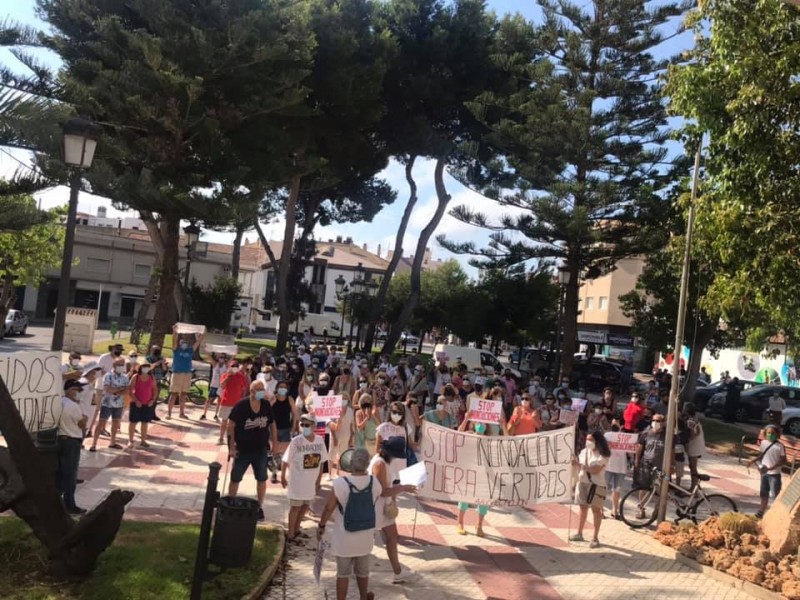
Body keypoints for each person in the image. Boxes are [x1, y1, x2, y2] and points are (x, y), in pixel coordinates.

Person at [317, 448, 380, 600]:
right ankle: (363, 597)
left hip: (344, 538)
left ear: (350, 463)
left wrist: (321, 526)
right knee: (363, 572)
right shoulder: (374, 483)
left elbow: (328, 508)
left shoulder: (340, 483)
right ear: (367, 464)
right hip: (365, 537)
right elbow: (373, 502)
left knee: (343, 574)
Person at [227, 380, 278, 521]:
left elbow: (272, 424)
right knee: (235, 477)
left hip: (260, 449)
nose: (262, 391)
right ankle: (231, 501)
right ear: (252, 391)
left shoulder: (266, 405)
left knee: (262, 478)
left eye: (263, 389)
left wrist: (275, 443)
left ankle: (259, 505)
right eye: (259, 389)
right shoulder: (241, 406)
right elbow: (231, 426)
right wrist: (231, 446)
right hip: (242, 449)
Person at [369, 438, 417, 584]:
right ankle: (355, 568)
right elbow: (383, 491)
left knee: (392, 536)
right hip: (376, 506)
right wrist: (404, 488)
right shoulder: (379, 464)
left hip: (384, 506)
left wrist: (394, 497)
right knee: (366, 540)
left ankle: (398, 571)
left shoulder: (386, 462)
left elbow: (390, 484)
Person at [282, 414, 328, 542]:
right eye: (302, 425)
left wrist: (319, 480)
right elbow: (285, 460)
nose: (303, 427)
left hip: (310, 482)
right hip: (297, 481)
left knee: (305, 507)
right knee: (295, 507)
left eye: (307, 425)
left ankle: (297, 529)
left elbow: (322, 461)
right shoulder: (296, 441)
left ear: (314, 426)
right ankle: (290, 533)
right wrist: (282, 476)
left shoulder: (319, 440)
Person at [456, 417, 499, 535]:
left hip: (483, 473)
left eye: (483, 423)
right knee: (465, 497)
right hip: (469, 470)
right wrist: (465, 418)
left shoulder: (489, 439)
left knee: (483, 500)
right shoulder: (469, 434)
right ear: (474, 423)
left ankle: (479, 526)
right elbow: (458, 433)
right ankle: (460, 523)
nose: (480, 425)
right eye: (478, 422)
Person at [570, 431, 611, 547]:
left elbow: (595, 470)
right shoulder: (583, 452)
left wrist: (579, 465)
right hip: (582, 482)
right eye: (587, 439)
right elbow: (580, 466)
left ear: (597, 441)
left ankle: (595, 537)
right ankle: (579, 533)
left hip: (596, 485)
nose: (588, 442)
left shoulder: (603, 455)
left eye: (590, 440)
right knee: (583, 508)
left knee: (596, 511)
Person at [58, 380, 88, 514]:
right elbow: (81, 424)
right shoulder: (73, 406)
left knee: (60, 473)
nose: (79, 393)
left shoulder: (59, 402)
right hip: (72, 440)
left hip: (60, 440)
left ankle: (57, 502)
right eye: (77, 390)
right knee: (70, 475)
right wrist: (85, 419)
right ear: (70, 390)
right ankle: (70, 505)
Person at [748, 424, 787, 518]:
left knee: (776, 495)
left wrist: (773, 467)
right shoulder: (764, 443)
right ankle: (761, 511)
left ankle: (778, 514)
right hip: (764, 472)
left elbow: (783, 460)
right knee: (764, 493)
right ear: (765, 434)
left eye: (773, 433)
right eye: (768, 433)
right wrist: (754, 461)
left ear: (777, 434)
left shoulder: (780, 446)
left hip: (774, 474)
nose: (770, 435)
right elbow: (761, 455)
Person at [89, 357, 128, 452]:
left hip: (118, 404)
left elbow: (127, 390)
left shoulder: (125, 377)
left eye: (122, 364)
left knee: (115, 423)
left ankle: (112, 442)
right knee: (101, 423)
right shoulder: (108, 375)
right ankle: (94, 444)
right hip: (107, 403)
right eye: (119, 364)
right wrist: (120, 389)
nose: (121, 367)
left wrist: (116, 390)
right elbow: (108, 389)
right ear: (114, 365)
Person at [634, 413, 668, 519]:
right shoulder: (646, 433)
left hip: (661, 467)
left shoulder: (667, 435)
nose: (655, 423)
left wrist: (672, 465)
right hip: (646, 464)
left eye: (658, 421)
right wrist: (637, 461)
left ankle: (657, 512)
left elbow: (671, 451)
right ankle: (641, 510)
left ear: (663, 423)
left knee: (660, 490)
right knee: (643, 488)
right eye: (654, 420)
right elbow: (639, 448)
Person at [167, 327, 204, 419]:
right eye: (182, 343)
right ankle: (169, 413)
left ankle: (181, 413)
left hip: (187, 374)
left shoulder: (190, 351)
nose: (183, 344)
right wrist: (174, 332)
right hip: (177, 374)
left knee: (183, 394)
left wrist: (203, 333)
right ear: (180, 344)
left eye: (185, 343)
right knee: (173, 394)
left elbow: (198, 342)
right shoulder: (176, 350)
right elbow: (174, 340)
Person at [270, 378, 300, 483]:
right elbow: (266, 412)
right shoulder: (273, 398)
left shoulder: (290, 399)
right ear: (277, 388)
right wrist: (272, 402)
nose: (282, 389)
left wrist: (294, 427)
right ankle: (274, 473)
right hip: (273, 429)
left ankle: (288, 473)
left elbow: (295, 414)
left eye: (284, 387)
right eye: (280, 387)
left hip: (286, 428)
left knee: (286, 452)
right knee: (275, 451)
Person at [218, 359, 250, 445]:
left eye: (236, 366)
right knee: (224, 421)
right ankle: (221, 438)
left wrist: (243, 401)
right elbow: (222, 385)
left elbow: (244, 389)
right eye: (232, 367)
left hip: (237, 404)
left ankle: (233, 439)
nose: (234, 368)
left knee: (234, 423)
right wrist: (228, 377)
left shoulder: (241, 376)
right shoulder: (225, 375)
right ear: (229, 367)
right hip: (226, 401)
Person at [375, 401, 409, 481]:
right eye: (394, 412)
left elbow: (411, 445)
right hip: (387, 467)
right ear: (390, 412)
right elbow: (377, 449)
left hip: (400, 468)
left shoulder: (406, 427)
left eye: (399, 413)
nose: (397, 415)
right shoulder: (382, 427)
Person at [127, 362, 158, 448]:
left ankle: (143, 440)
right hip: (136, 403)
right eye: (144, 366)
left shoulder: (152, 378)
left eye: (147, 367)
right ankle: (130, 440)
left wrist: (152, 400)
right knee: (133, 422)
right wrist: (136, 400)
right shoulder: (135, 377)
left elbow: (155, 390)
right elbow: (130, 390)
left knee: (145, 423)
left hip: (147, 404)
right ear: (140, 368)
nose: (146, 368)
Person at [604, 424, 628, 520]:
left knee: (617, 490)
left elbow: (631, 451)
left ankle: (615, 511)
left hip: (621, 468)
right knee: (603, 489)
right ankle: (601, 509)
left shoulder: (626, 437)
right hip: (608, 466)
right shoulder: (607, 435)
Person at [328, 393, 355, 478]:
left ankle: (338, 473)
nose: (344, 400)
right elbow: (331, 425)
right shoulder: (333, 409)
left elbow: (351, 425)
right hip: (335, 436)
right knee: (331, 455)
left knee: (342, 455)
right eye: (342, 398)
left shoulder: (350, 410)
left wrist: (351, 437)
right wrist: (334, 437)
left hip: (346, 436)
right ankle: (329, 474)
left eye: (345, 398)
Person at [683, 402, 706, 489]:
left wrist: (686, 440)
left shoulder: (690, 421)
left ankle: (694, 487)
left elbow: (693, 435)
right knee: (692, 466)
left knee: (693, 467)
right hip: (697, 445)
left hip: (694, 446)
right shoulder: (695, 419)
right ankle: (694, 486)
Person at [200, 353, 227, 421]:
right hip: (214, 385)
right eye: (221, 357)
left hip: (221, 386)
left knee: (219, 401)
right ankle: (204, 414)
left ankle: (216, 415)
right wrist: (207, 350)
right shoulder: (215, 364)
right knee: (209, 400)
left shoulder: (225, 366)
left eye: (223, 358)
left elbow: (232, 358)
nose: (222, 359)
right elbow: (209, 357)